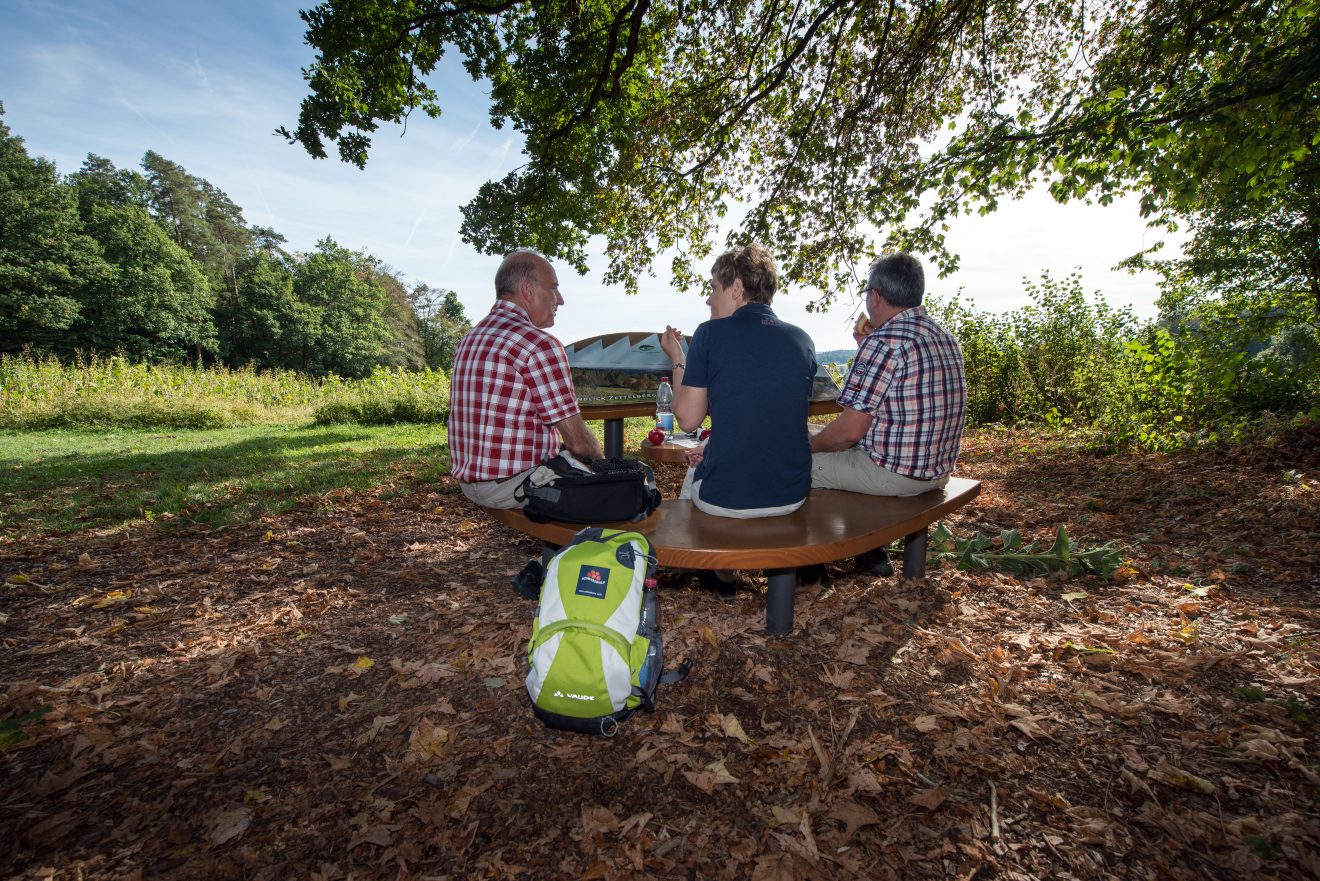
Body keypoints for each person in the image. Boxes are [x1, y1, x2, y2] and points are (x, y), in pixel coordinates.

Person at [809, 253, 967, 572]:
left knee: (794, 463)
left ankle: (809, 564)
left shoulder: (884, 342)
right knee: (822, 440)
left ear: (876, 296)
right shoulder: (941, 335)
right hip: (936, 471)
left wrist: (804, 448)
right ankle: (871, 555)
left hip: (896, 475)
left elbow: (848, 433)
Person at [660, 244, 817, 518]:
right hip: (792, 496)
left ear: (736, 288)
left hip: (726, 499)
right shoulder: (803, 340)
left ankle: (686, 557)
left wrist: (677, 356)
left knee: (692, 477)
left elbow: (687, 419)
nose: (709, 300)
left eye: (714, 288)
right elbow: (763, 415)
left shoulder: (709, 334)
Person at [448, 249, 603, 508]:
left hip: (471, 484)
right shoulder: (539, 344)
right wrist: (607, 467)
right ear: (528, 291)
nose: (560, 299)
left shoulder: (471, 338)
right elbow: (579, 443)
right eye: (554, 288)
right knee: (630, 489)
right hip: (514, 484)